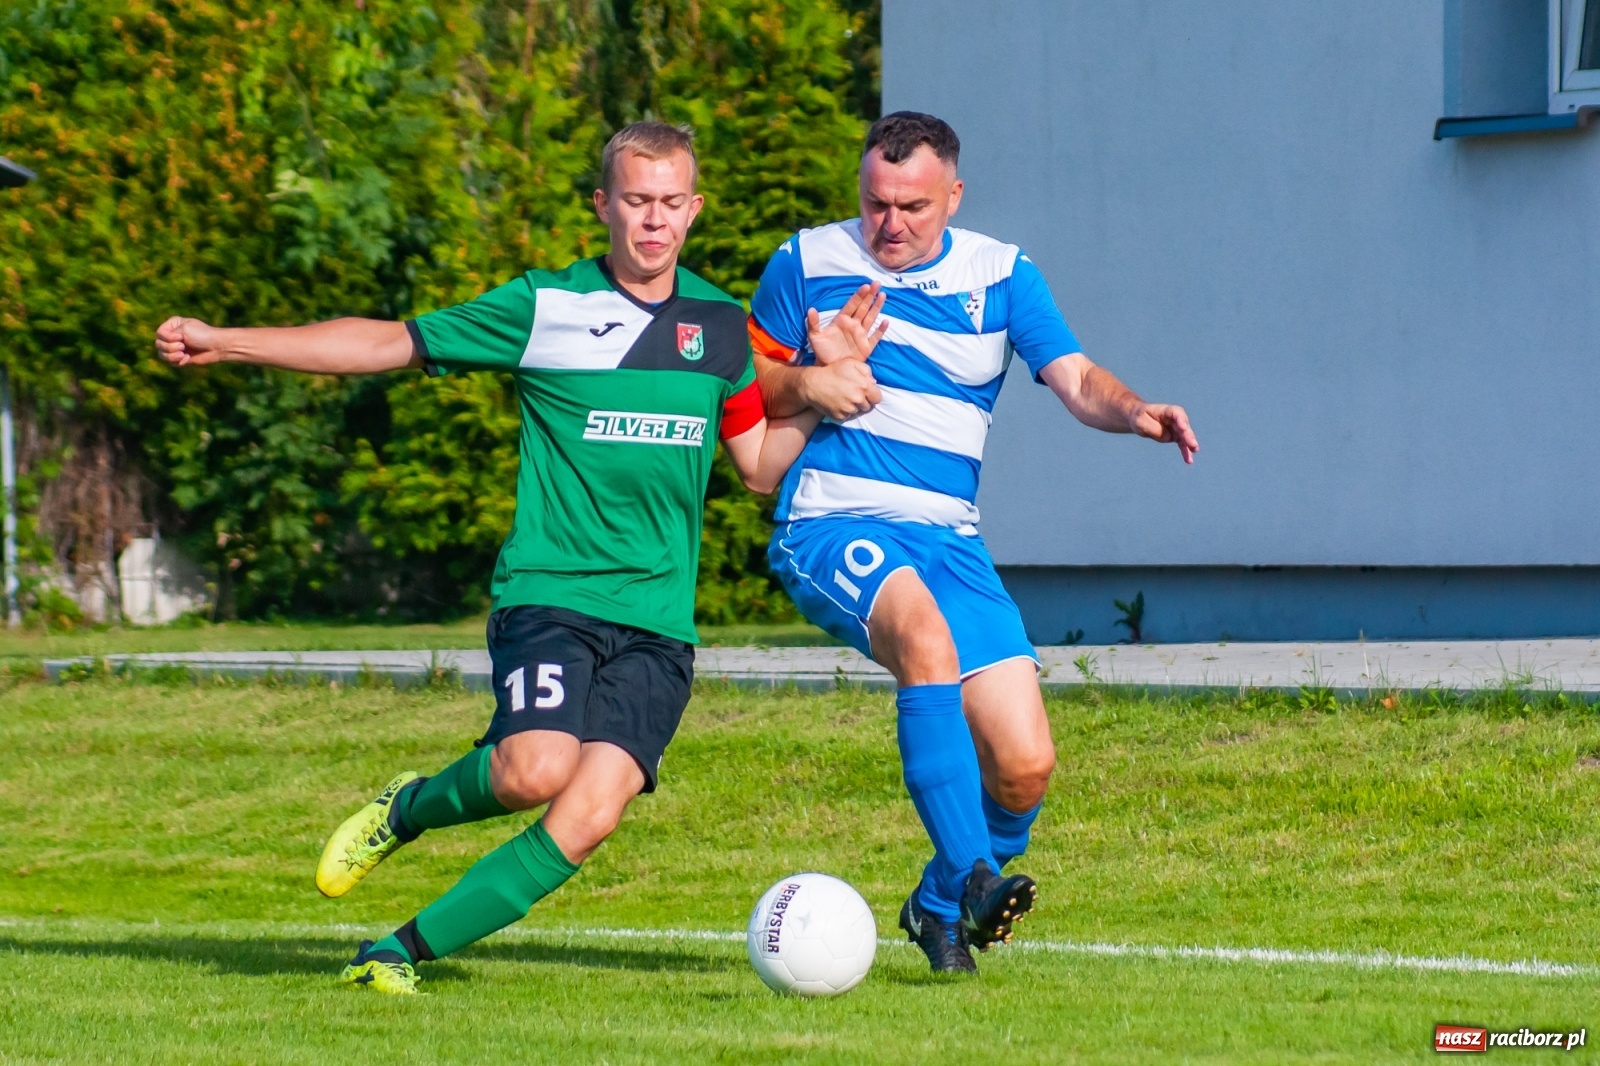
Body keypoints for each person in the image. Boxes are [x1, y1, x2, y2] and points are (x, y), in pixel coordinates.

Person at [154, 121, 881, 994]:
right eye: (637, 201)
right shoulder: (547, 307)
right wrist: (230, 339)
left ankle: (396, 952)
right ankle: (408, 807)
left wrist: (825, 390)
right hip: (552, 592)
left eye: (671, 204)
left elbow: (760, 470)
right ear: (603, 205)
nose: (655, 221)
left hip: (658, 622)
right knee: (533, 767)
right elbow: (391, 342)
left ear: (695, 209)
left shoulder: (720, 327)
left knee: (588, 815)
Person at [751, 111, 1199, 973]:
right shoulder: (804, 262)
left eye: (913, 206)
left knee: (1025, 765)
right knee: (924, 641)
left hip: (949, 541)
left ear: (953, 195)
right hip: (835, 521)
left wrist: (1136, 410)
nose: (890, 224)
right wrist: (814, 375)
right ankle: (970, 878)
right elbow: (748, 390)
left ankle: (932, 905)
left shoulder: (1002, 274)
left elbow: (1074, 378)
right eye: (876, 203)